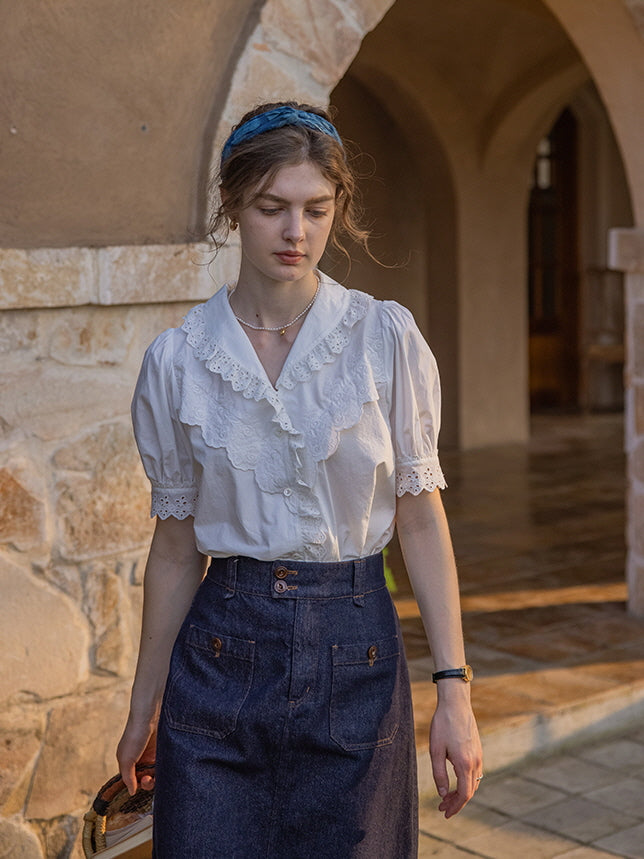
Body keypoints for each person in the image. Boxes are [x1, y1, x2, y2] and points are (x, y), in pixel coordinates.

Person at [116, 101, 482, 858]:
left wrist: (456, 690)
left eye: (317, 209)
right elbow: (177, 547)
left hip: (358, 657)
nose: (296, 233)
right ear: (232, 206)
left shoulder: (385, 340)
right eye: (272, 208)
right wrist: (143, 703)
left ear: (338, 208)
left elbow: (419, 518)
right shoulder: (180, 360)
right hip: (218, 658)